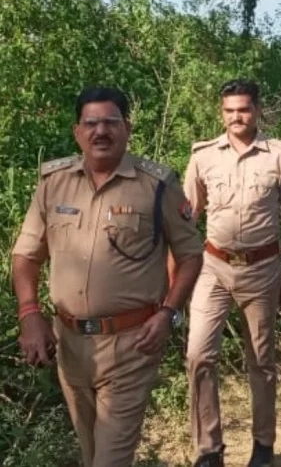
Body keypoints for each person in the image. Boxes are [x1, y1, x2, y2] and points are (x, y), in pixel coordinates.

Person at [11, 86, 204, 467]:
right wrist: (29, 314)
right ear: (77, 131)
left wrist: (169, 313)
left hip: (131, 345)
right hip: (68, 344)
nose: (101, 131)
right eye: (91, 123)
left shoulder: (156, 185)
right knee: (90, 454)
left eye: (111, 122)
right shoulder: (53, 183)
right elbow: (26, 255)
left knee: (109, 460)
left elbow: (190, 255)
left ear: (127, 128)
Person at [180, 79, 281, 467]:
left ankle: (263, 445)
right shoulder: (203, 156)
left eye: (244, 109)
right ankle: (209, 449)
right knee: (198, 355)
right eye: (230, 110)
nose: (237, 117)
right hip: (213, 267)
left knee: (262, 361)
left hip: (262, 269)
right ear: (222, 113)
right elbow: (187, 218)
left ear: (257, 110)